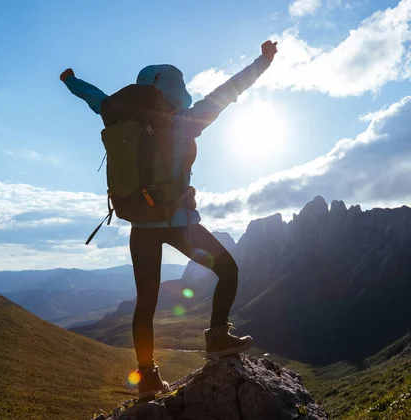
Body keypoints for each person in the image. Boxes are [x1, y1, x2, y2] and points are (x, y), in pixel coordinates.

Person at [60, 40, 278, 399]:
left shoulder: (114, 113)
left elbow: (93, 96)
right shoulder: (184, 122)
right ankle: (218, 336)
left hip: (140, 226)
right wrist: (263, 61)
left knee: (145, 303)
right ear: (173, 89)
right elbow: (229, 91)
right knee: (228, 269)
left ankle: (146, 378)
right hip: (180, 223)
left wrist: (70, 80)